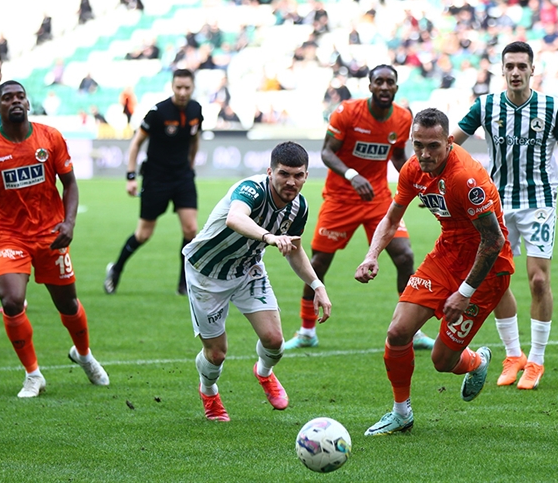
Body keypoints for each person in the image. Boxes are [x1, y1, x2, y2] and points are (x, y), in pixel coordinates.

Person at [356, 108, 514, 436]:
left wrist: (464, 293)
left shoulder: (465, 178)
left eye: (433, 146)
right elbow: (392, 218)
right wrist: (371, 255)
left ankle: (477, 361)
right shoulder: (413, 169)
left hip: (487, 269)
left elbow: (494, 240)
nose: (425, 154)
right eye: (418, 145)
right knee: (398, 332)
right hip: (446, 255)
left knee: (442, 361)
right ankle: (401, 413)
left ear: (449, 142)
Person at [0, 80, 109, 398]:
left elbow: (70, 183)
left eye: (20, 96)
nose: (15, 101)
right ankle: (33, 374)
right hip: (9, 235)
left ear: (27, 103)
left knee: (67, 303)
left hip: (51, 235)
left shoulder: (50, 137)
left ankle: (84, 355)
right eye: (7, 98)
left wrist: (69, 223)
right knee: (11, 301)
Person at [453, 41, 558, 390]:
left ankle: (536, 360)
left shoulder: (552, 108)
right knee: (496, 279)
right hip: (495, 204)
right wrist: (437, 183)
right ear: (502, 70)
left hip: (539, 202)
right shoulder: (486, 106)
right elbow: (450, 144)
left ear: (532, 70)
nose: (516, 72)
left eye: (522, 66)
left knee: (538, 281)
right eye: (510, 66)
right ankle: (513, 355)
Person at [283, 65, 435, 351]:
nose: (385, 87)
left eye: (390, 82)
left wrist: (422, 184)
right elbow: (327, 152)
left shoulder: (403, 118)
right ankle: (306, 331)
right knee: (318, 263)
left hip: (378, 199)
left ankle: (412, 331)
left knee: (405, 256)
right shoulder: (347, 112)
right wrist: (352, 175)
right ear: (370, 86)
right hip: (341, 198)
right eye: (379, 82)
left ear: (396, 87)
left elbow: (398, 157)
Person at [183, 141, 331, 421]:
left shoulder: (299, 207)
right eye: (284, 174)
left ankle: (264, 373)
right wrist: (269, 237)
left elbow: (295, 249)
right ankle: (209, 391)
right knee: (216, 354)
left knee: (275, 341)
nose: (291, 182)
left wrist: (317, 286)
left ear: (306, 176)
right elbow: (235, 218)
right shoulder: (251, 189)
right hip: (206, 273)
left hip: (247, 270)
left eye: (298, 175)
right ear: (270, 172)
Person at [105, 69, 202, 296]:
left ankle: (183, 284)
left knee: (191, 229)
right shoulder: (158, 112)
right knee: (143, 234)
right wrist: (131, 176)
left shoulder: (196, 110)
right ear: (172, 87)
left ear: (193, 88)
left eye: (187, 88)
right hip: (156, 178)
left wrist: (190, 166)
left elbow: (194, 140)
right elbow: (136, 143)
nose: (182, 92)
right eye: (178, 87)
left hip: (182, 177)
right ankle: (116, 268)